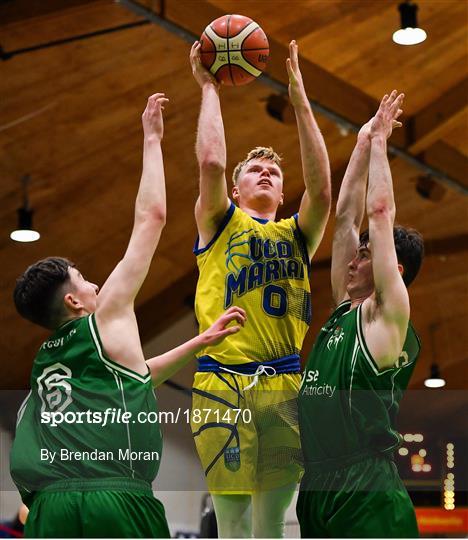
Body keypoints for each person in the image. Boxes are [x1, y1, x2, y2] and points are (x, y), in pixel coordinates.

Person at [10, 93, 246, 538]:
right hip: (114, 500)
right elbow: (151, 218)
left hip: (49, 509)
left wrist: (200, 341)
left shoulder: (46, 364)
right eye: (83, 280)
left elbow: (134, 377)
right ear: (73, 303)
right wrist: (152, 139)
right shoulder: (106, 316)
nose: (97, 285)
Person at [189, 40, 331, 538]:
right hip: (222, 382)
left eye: (275, 170)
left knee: (273, 523)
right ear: (236, 189)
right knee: (234, 523)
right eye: (255, 169)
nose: (267, 172)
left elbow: (323, 186)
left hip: (285, 385)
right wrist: (209, 87)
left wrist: (300, 99)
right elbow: (209, 163)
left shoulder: (299, 232)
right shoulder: (218, 223)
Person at [296, 90, 424, 538]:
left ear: (394, 269)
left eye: (366, 255)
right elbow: (347, 217)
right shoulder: (342, 312)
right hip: (317, 484)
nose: (352, 259)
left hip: (365, 487)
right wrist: (363, 141)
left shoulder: (384, 315)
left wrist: (383, 143)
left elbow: (378, 212)